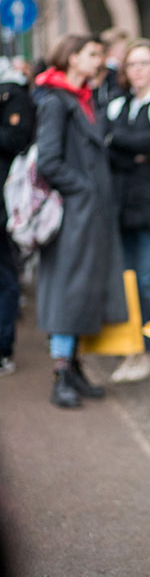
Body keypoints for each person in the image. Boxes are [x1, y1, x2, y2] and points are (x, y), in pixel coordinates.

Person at [35, 34, 127, 407]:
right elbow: (48, 161)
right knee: (67, 293)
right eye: (92, 55)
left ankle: (73, 367)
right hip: (74, 214)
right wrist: (84, 189)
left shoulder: (82, 98)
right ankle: (61, 374)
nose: (100, 61)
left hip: (89, 215)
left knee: (82, 291)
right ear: (72, 59)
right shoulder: (56, 102)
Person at [105, 38, 150, 383]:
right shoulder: (118, 105)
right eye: (131, 64)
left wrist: (125, 146)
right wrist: (134, 151)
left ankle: (149, 352)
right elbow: (108, 145)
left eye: (144, 63)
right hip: (120, 208)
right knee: (127, 282)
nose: (137, 71)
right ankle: (130, 348)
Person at [0, 57, 35, 375]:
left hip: (6, 202)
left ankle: (3, 348)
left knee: (5, 277)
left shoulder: (14, 94)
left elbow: (15, 140)